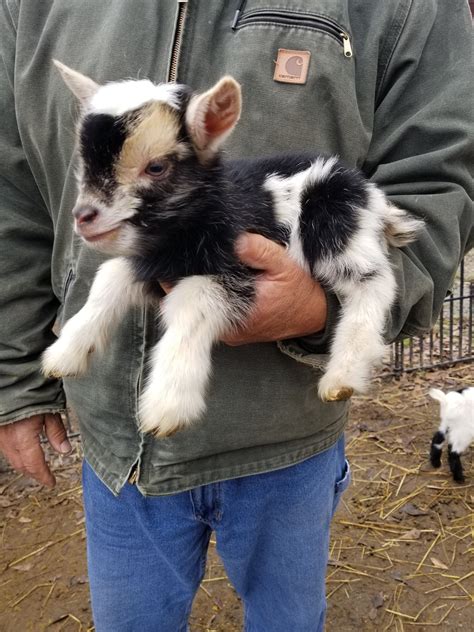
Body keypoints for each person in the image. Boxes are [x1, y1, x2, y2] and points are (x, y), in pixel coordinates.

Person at [0, 1, 472, 630]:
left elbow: (443, 168)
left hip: (284, 435)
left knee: (286, 616)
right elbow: (14, 195)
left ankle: (329, 343)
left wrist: (319, 309)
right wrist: (15, 378)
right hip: (113, 447)